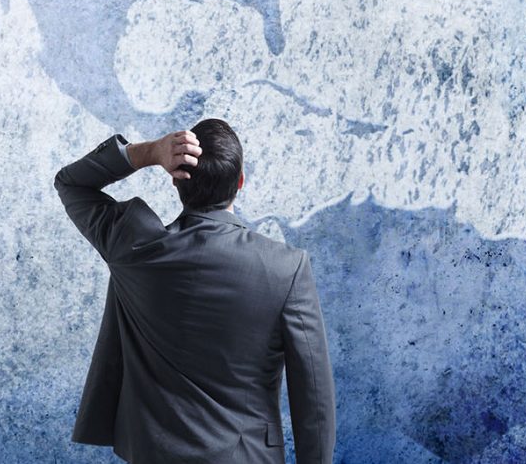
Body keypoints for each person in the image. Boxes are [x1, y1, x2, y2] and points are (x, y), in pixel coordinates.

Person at [54, 118, 336, 463]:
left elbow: (71, 183)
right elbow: (314, 400)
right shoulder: (285, 268)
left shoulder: (132, 245)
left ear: (176, 180)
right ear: (240, 182)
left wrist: (150, 152)